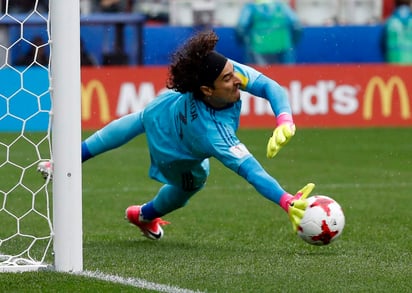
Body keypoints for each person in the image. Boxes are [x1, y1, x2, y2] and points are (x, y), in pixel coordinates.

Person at [38, 30, 314, 240]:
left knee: (138, 119)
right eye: (228, 79)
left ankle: (64, 161)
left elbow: (269, 86)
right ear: (207, 90)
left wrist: (284, 120)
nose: (236, 80)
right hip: (173, 151)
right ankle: (143, 215)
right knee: (192, 183)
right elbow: (252, 171)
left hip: (162, 107)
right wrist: (286, 200)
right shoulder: (215, 134)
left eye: (233, 73)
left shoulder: (217, 72)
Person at [236, 0, 302, 65]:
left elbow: (241, 27)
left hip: (258, 47)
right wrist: (293, 41)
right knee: (286, 74)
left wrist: (243, 42)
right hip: (282, 46)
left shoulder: (251, 7)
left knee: (260, 73)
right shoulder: (281, 6)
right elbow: (296, 25)